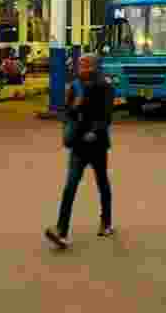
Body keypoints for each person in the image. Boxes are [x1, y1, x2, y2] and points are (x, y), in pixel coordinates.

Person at [45, 54, 115, 250]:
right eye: (80, 64)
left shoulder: (105, 85)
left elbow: (107, 115)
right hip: (78, 145)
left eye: (86, 64)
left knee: (102, 182)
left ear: (94, 66)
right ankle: (61, 231)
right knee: (70, 186)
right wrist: (73, 111)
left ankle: (106, 222)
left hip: (97, 145)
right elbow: (67, 113)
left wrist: (95, 131)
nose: (82, 67)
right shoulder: (74, 86)